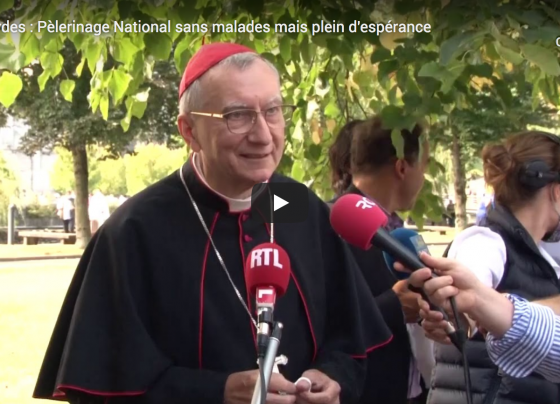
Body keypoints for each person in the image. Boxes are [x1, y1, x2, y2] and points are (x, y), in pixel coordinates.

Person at [33, 42, 391, 404]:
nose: (263, 135)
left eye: (272, 111)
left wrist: (330, 376)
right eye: (237, 115)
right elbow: (108, 386)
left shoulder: (299, 205)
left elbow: (349, 337)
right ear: (190, 131)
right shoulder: (133, 232)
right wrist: (216, 393)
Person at [427, 131, 560, 404]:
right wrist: (462, 312)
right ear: (556, 192)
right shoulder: (485, 241)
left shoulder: (539, 257)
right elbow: (468, 287)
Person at [327, 117, 432, 404]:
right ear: (402, 167)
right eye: (424, 167)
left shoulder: (399, 234)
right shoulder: (328, 225)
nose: (424, 179)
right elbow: (316, 324)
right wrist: (392, 307)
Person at [403, 253, 560, 384]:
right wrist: (470, 311)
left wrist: (480, 303)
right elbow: (467, 304)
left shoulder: (540, 249)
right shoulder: (483, 240)